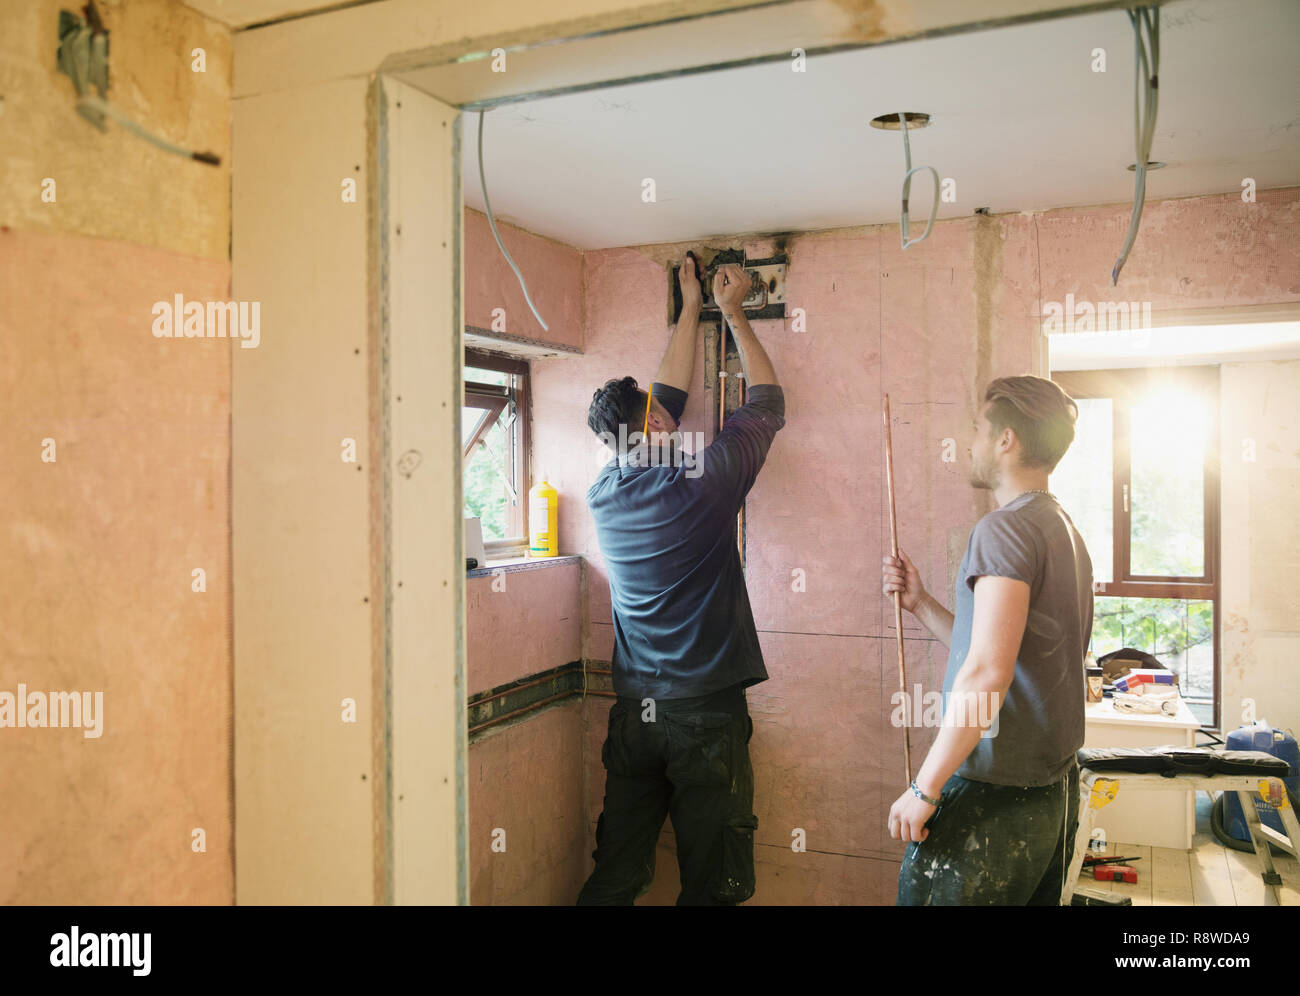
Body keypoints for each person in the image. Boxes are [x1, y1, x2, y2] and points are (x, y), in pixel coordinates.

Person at [576, 261, 785, 905]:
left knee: (618, 873)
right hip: (705, 717)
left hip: (636, 716)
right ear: (658, 429)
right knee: (713, 884)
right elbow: (768, 405)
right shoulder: (703, 486)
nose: (669, 417)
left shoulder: (605, 493)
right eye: (661, 417)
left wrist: (690, 304)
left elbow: (660, 403)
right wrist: (735, 312)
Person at [882, 375, 1093, 905]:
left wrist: (924, 787)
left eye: (978, 428)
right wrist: (922, 604)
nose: (971, 441)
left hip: (990, 801)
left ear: (1006, 440)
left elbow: (987, 672)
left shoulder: (1004, 529)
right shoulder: (1063, 529)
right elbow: (1003, 653)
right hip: (1050, 797)